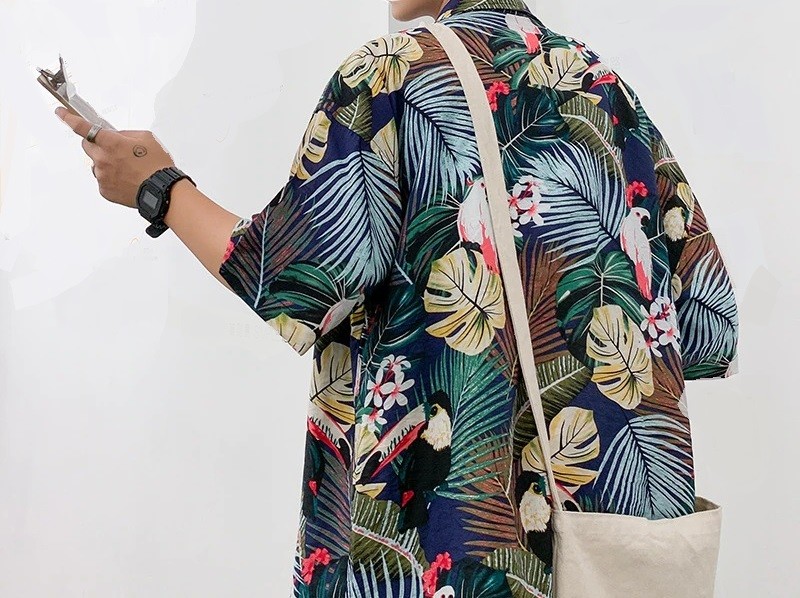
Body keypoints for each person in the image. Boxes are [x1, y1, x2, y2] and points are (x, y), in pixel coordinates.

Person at [54, 0, 740, 595]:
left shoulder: (391, 74)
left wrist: (158, 188)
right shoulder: (603, 85)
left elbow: (287, 278)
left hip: (450, 542)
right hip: (619, 535)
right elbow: (709, 325)